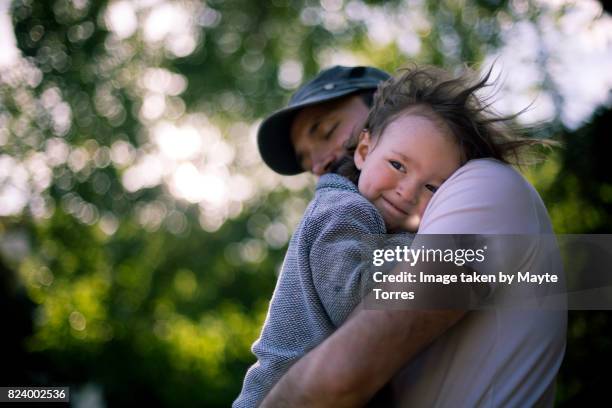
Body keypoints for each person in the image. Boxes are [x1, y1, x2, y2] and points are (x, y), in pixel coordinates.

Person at [243, 65, 566, 407]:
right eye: (307, 160)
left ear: (382, 110)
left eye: (327, 131)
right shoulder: (339, 208)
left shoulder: (481, 184)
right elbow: (354, 302)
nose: (320, 164)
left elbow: (345, 366)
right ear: (365, 152)